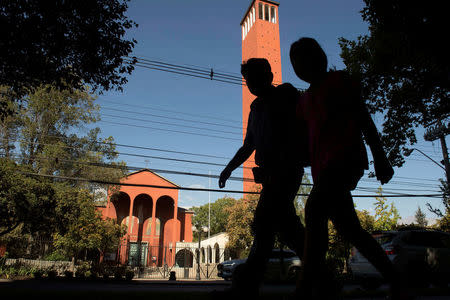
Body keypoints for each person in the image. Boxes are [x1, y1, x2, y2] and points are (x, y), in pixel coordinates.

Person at [289, 37, 404, 299]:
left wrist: (380, 156)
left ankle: (305, 289)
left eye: (307, 56)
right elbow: (308, 146)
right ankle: (397, 281)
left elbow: (364, 119)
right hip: (323, 170)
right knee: (350, 229)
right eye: (295, 61)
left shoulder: (339, 82)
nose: (301, 64)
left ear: (320, 57)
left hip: (345, 159)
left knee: (314, 208)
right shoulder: (303, 103)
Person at [218, 58, 308, 297]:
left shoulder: (286, 95)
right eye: (248, 81)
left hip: (287, 171)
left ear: (268, 77)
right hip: (269, 175)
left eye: (255, 78)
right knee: (288, 229)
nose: (251, 84)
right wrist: (229, 168)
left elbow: (304, 126)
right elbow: (249, 144)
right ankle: (323, 277)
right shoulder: (255, 108)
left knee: (264, 224)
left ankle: (245, 287)